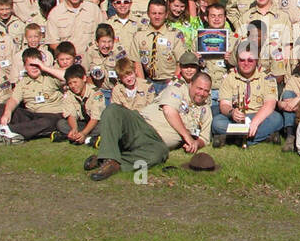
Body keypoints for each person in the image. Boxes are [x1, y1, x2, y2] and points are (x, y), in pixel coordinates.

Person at [86, 72, 215, 181]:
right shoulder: (178, 89)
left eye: (206, 91)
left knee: (158, 155)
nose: (202, 93)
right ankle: (108, 157)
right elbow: (169, 111)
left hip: (156, 142)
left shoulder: (206, 111)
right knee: (113, 110)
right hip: (141, 124)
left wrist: (196, 144)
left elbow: (204, 138)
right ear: (191, 84)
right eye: (199, 88)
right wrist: (187, 137)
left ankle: (112, 164)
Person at [213, 45, 281, 146]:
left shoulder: (267, 76)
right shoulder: (229, 77)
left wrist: (255, 122)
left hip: (259, 116)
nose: (246, 63)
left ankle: (233, 139)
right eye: (242, 60)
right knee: (217, 122)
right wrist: (232, 112)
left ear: (256, 61)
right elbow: (224, 105)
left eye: (250, 60)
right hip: (237, 119)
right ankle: (262, 137)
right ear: (237, 60)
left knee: (277, 119)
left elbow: (270, 104)